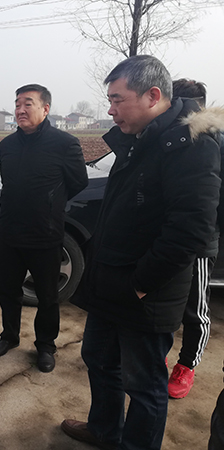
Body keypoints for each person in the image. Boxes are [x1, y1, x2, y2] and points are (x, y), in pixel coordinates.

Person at [62, 55, 222, 450]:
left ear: (152, 96)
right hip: (111, 283)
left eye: (117, 100)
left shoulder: (190, 146)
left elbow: (190, 230)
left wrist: (140, 284)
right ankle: (104, 430)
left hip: (145, 294)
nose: (110, 110)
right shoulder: (139, 138)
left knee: (144, 384)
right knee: (99, 359)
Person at [0, 84, 88, 373]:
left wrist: (51, 202)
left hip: (45, 233)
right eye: (17, 104)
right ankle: (9, 336)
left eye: (27, 104)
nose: (20, 110)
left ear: (45, 109)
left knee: (47, 295)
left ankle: (45, 345)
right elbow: (9, 183)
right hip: (10, 231)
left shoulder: (64, 143)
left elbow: (78, 182)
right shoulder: (7, 145)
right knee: (7, 290)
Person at [168, 79, 224, 399]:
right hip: (166, 238)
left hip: (200, 243)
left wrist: (209, 231)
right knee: (163, 302)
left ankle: (187, 365)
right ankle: (158, 352)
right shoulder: (168, 137)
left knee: (195, 307)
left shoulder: (214, 141)